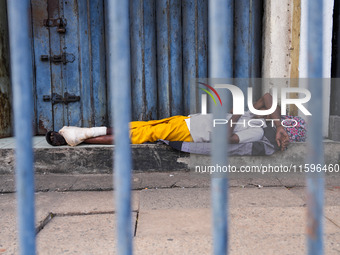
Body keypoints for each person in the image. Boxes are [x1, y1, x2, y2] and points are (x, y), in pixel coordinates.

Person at [46, 93, 291, 151]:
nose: (268, 111)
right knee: (139, 127)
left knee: (138, 135)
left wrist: (236, 114)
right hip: (188, 120)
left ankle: (79, 137)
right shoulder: (256, 115)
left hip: (192, 133)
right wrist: (280, 126)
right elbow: (268, 98)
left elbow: (226, 139)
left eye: (273, 117)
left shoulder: (256, 133)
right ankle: (82, 134)